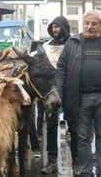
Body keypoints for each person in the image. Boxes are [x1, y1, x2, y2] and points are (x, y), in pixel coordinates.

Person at [56, 10, 101, 177]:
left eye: (94, 23)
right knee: (82, 138)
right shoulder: (72, 43)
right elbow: (61, 69)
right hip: (79, 99)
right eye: (87, 23)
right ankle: (87, 172)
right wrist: (59, 93)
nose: (90, 26)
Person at [40, 16, 74, 174]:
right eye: (52, 27)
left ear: (64, 27)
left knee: (74, 125)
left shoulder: (74, 44)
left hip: (71, 89)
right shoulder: (46, 47)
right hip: (52, 91)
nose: (54, 30)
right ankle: (52, 160)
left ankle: (77, 160)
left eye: (57, 27)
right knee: (51, 126)